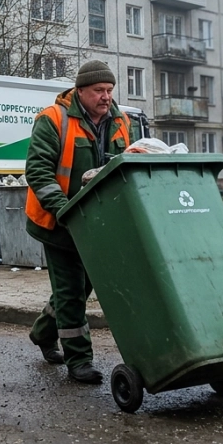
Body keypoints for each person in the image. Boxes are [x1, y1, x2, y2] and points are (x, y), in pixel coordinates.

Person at [24, 60, 132, 384]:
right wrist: (65, 210)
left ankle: (43, 332)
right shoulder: (52, 119)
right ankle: (79, 360)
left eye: (109, 90)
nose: (106, 97)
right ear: (80, 91)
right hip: (57, 222)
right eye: (99, 90)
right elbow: (38, 171)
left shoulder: (121, 121)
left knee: (81, 288)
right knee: (71, 291)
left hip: (97, 222)